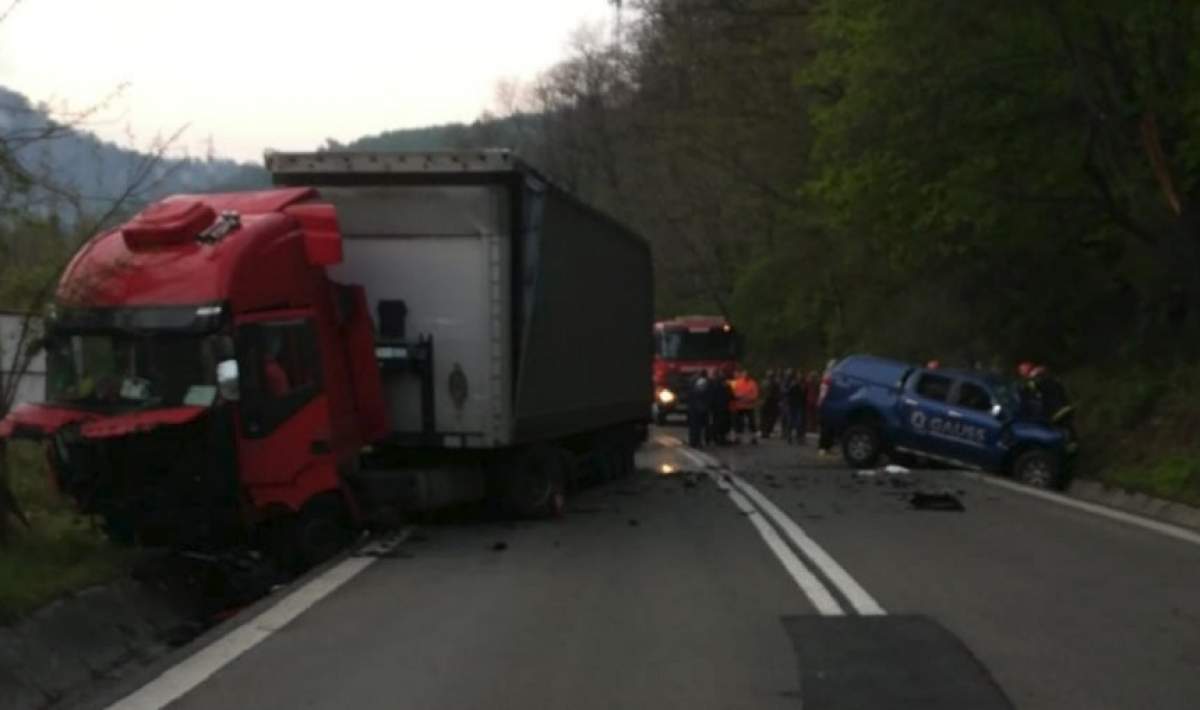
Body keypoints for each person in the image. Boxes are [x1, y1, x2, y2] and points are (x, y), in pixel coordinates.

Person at [731, 368, 760, 445]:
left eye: (747, 374)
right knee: (739, 423)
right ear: (742, 375)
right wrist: (739, 397)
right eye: (744, 374)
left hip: (749, 406)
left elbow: (755, 394)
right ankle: (738, 438)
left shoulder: (753, 383)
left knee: (752, 423)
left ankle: (754, 438)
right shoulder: (737, 382)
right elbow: (733, 393)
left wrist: (746, 398)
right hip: (739, 406)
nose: (745, 376)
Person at [707, 367, 734, 445]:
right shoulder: (725, 383)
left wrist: (710, 405)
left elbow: (710, 395)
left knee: (716, 422)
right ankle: (721, 438)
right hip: (723, 406)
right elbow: (730, 394)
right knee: (723, 423)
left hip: (716, 406)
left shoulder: (712, 382)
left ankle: (714, 438)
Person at [816, 358, 836, 455]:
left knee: (830, 427)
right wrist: (822, 402)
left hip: (829, 403)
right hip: (826, 403)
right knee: (825, 427)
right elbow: (823, 391)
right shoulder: (828, 376)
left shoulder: (830, 376)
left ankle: (827, 447)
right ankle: (822, 447)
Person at [685, 371, 710, 448]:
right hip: (699, 410)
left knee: (694, 427)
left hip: (694, 409)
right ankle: (697, 442)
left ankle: (694, 442)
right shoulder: (702, 385)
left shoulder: (692, 388)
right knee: (699, 427)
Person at [785, 371, 807, 444]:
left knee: (798, 422)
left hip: (798, 406)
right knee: (792, 422)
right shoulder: (793, 385)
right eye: (798, 377)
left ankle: (798, 438)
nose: (799, 379)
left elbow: (804, 396)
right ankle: (790, 437)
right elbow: (787, 394)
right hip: (792, 405)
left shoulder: (802, 386)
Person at [759, 369, 781, 439]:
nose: (770, 377)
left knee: (769, 418)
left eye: (771, 376)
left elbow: (777, 393)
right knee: (766, 418)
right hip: (767, 402)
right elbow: (760, 391)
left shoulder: (774, 383)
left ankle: (766, 431)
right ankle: (765, 431)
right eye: (770, 375)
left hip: (771, 402)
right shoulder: (765, 382)